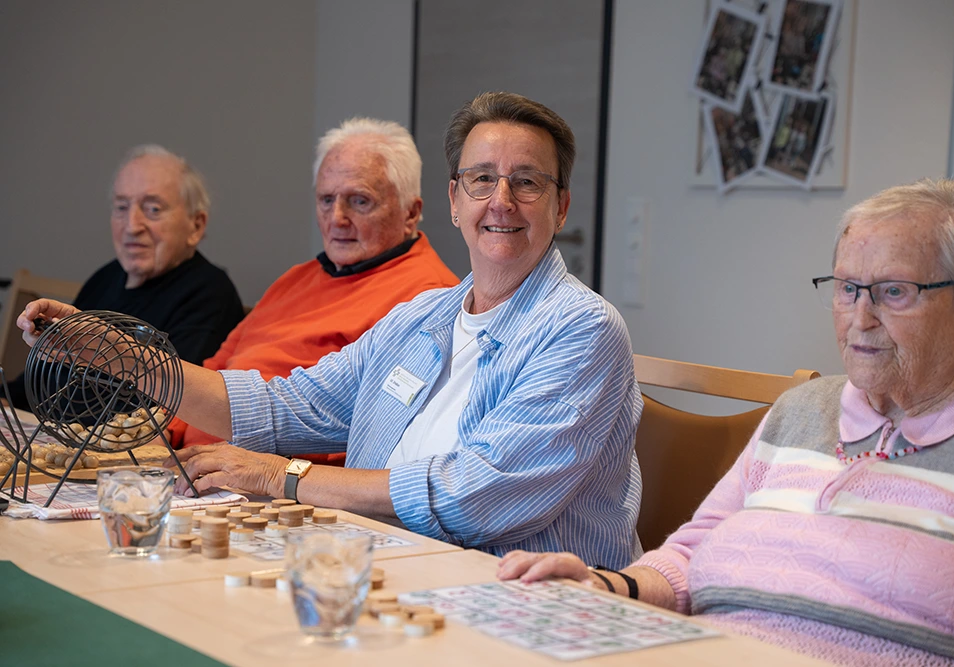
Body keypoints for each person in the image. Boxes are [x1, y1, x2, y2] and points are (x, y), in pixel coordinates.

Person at [19, 92, 644, 569]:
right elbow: (287, 406)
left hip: (518, 600)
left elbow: (475, 495)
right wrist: (122, 357)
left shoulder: (581, 331)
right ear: (455, 200)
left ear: (560, 206)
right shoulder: (420, 319)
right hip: (385, 564)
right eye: (482, 178)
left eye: (527, 182)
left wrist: (280, 477)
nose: (501, 200)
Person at [497, 179, 954, 666]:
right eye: (847, 288)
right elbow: (692, 552)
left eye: (893, 292)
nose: (860, 317)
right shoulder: (801, 411)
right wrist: (605, 584)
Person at [173, 118, 459, 457]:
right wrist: (158, 434)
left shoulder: (429, 298)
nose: (336, 217)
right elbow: (218, 364)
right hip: (186, 466)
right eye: (326, 200)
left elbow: (373, 436)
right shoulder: (297, 278)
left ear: (410, 213)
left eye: (359, 201)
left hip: (273, 484)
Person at [4, 145, 244, 410]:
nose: (132, 226)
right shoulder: (107, 276)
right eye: (121, 207)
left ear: (196, 226)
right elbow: (44, 376)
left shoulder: (210, 294)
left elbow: (161, 409)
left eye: (153, 209)